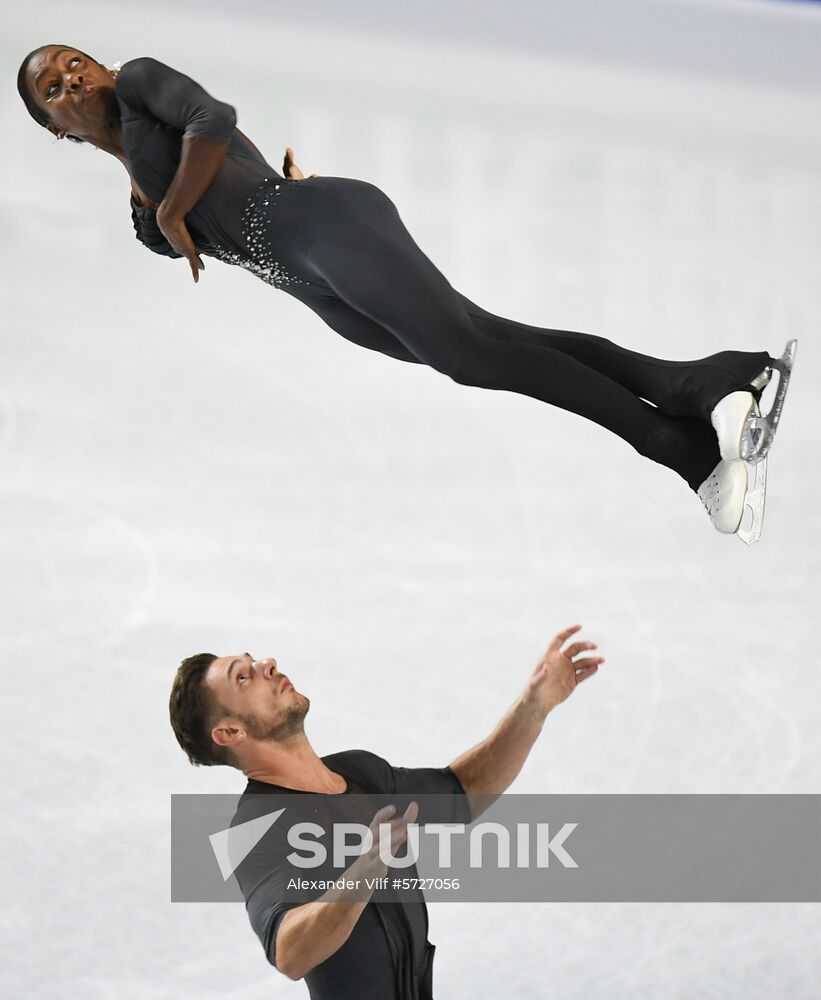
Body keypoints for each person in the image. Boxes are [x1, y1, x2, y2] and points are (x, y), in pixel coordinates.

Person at [17, 45, 796, 542]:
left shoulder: (146, 81)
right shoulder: (138, 188)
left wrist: (176, 205)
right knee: (497, 337)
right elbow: (171, 222)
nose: (72, 78)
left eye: (73, 61)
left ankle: (683, 452)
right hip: (310, 280)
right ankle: (706, 380)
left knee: (469, 356)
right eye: (53, 87)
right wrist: (160, 200)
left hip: (320, 224)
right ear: (54, 126)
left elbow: (213, 119)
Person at [168, 623, 604, 999]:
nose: (267, 665)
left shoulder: (360, 772)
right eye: (243, 678)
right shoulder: (252, 830)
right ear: (230, 731)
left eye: (253, 661)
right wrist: (365, 868)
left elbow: (464, 791)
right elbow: (290, 952)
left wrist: (534, 707)